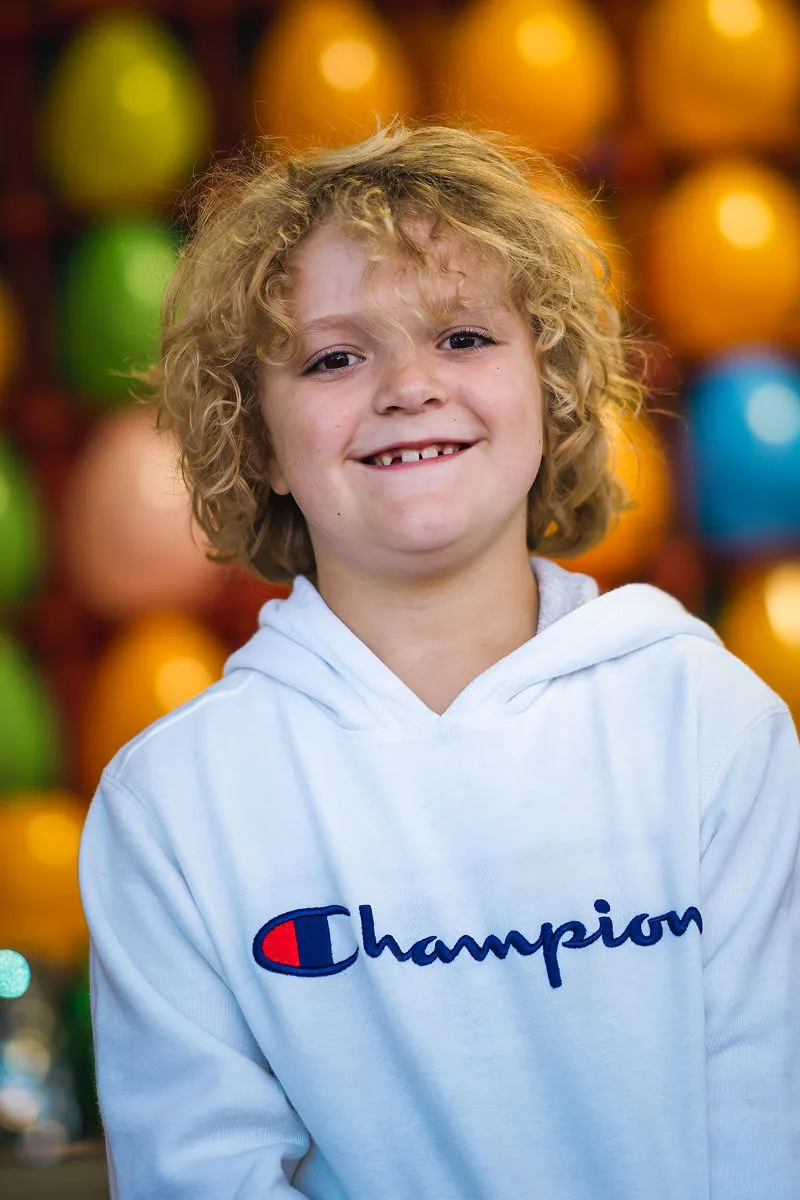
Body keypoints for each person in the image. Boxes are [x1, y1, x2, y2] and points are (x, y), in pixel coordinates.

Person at [78, 122, 799, 1199]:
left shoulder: (706, 721)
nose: (409, 385)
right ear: (259, 441)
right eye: (334, 357)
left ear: (551, 390)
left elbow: (764, 1135)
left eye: (463, 336)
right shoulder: (174, 806)